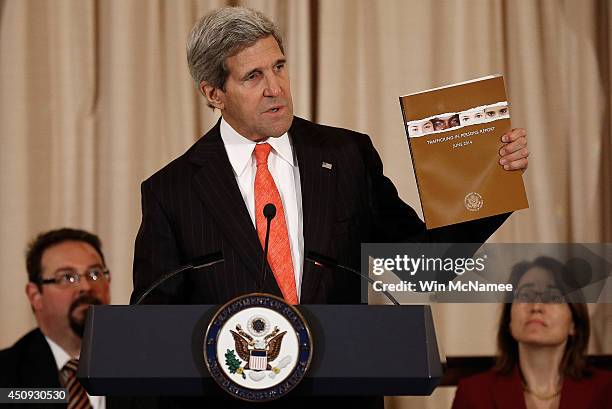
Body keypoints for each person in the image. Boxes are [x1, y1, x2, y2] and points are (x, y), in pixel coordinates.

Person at [130, 6, 529, 407]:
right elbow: (152, 327)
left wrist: (493, 184)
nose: (276, 88)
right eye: (253, 76)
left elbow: (423, 264)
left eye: (279, 67)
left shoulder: (346, 157)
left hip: (341, 396)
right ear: (213, 93)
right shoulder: (172, 190)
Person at [452, 257, 612, 409]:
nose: (536, 306)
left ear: (574, 323)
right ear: (509, 319)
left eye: (553, 297)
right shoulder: (472, 393)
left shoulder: (606, 390)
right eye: (525, 295)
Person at [0, 228, 132, 409]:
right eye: (68, 277)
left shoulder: (143, 364)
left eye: (95, 274)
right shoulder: (7, 377)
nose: (86, 286)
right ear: (35, 295)